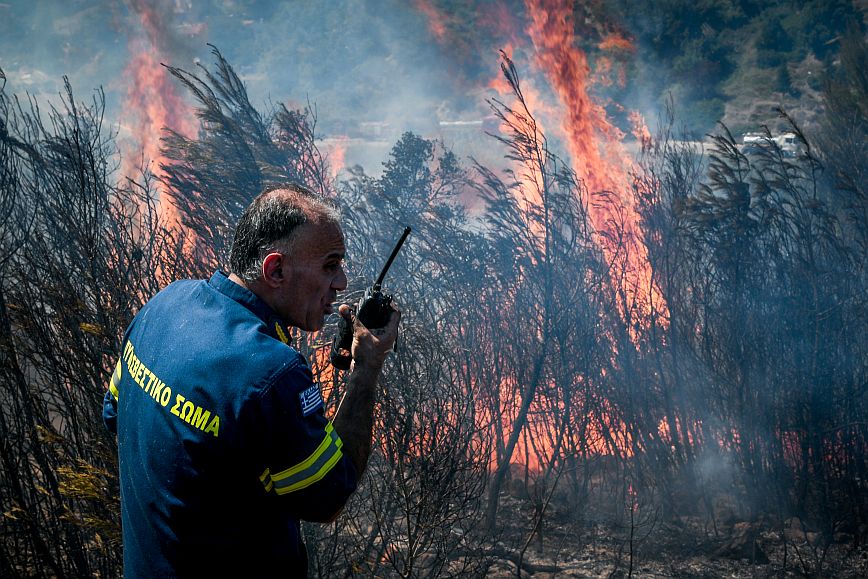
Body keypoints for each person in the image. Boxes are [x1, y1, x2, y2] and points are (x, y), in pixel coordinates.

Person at [103, 184, 399, 577]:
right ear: (275, 270)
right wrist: (366, 368)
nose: (342, 282)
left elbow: (115, 415)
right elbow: (328, 495)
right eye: (330, 265)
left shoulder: (164, 304)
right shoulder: (272, 372)